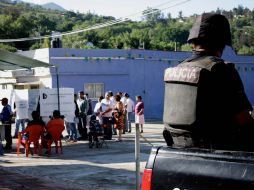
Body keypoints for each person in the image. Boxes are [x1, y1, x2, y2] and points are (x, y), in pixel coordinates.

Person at [163, 13, 254, 151]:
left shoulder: (178, 69)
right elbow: (244, 122)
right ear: (222, 43)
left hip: (179, 154)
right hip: (219, 158)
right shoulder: (222, 70)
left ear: (193, 42)